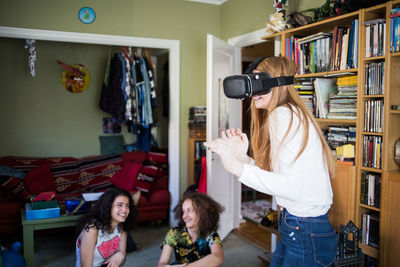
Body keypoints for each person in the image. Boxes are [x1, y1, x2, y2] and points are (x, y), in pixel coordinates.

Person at [204, 57, 338, 266]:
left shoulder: (283, 115)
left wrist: (236, 167)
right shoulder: (290, 114)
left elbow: (291, 187)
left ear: (276, 83)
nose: (252, 92)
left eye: (258, 81)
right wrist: (243, 158)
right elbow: (283, 179)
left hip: (304, 230)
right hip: (300, 226)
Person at [157, 192, 224, 267]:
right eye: (183, 211)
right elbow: (161, 264)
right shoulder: (174, 233)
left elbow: (218, 257)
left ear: (202, 213)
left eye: (190, 210)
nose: (185, 216)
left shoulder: (210, 234)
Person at [75, 188, 137, 267]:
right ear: (108, 206)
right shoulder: (92, 230)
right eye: (120, 205)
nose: (125, 210)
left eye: (127, 206)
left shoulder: (121, 226)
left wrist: (121, 254)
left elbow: (122, 260)